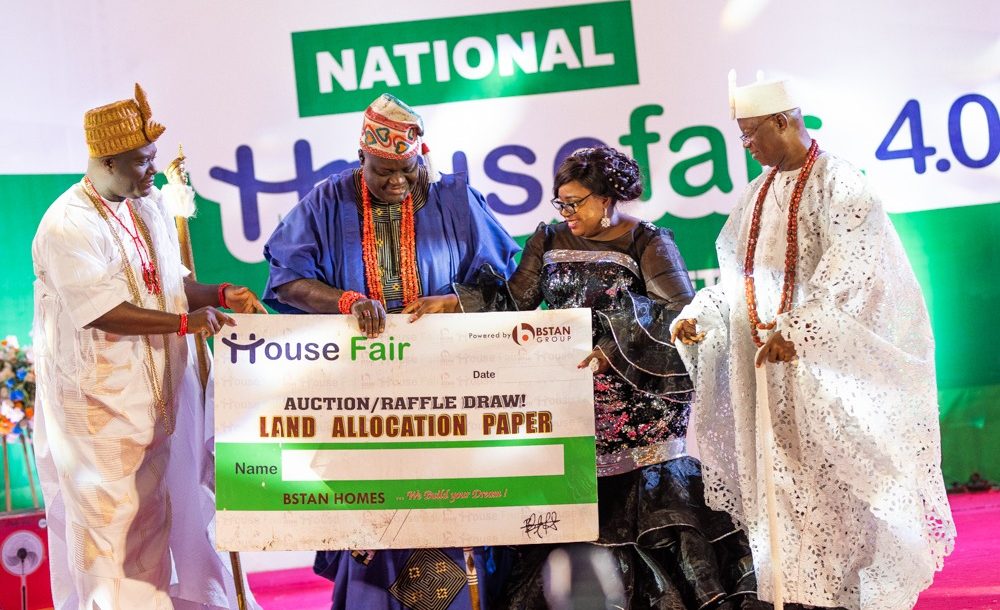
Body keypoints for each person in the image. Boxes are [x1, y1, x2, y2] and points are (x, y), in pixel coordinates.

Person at [670, 71, 956, 610]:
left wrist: (800, 329)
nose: (746, 145)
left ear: (783, 121)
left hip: (829, 373)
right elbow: (741, 277)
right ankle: (799, 599)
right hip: (769, 375)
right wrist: (702, 314)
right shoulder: (757, 194)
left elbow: (855, 267)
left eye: (750, 132)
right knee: (786, 493)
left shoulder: (839, 182)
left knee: (845, 492)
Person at [456, 146, 758, 610]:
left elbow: (680, 313)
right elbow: (515, 305)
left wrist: (613, 349)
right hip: (572, 397)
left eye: (575, 203)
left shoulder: (646, 241)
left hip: (637, 402)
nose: (566, 213)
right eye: (561, 203)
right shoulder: (548, 239)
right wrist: (455, 303)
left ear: (606, 198)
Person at [263, 93, 521, 610]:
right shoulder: (327, 201)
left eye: (408, 169)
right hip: (363, 396)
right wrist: (346, 301)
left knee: (448, 512)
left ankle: (445, 603)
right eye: (383, 172)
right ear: (361, 157)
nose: (398, 181)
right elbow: (287, 279)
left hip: (450, 391)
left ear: (422, 156)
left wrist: (454, 302)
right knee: (376, 516)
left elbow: (510, 283)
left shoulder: (456, 200)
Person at [31, 83, 265, 609]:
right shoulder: (68, 224)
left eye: (154, 157)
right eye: (141, 161)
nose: (153, 170)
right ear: (106, 161)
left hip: (154, 404)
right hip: (96, 414)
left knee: (152, 531)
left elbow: (171, 284)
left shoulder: (146, 204)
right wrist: (185, 324)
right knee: (108, 545)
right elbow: (101, 310)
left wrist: (220, 293)